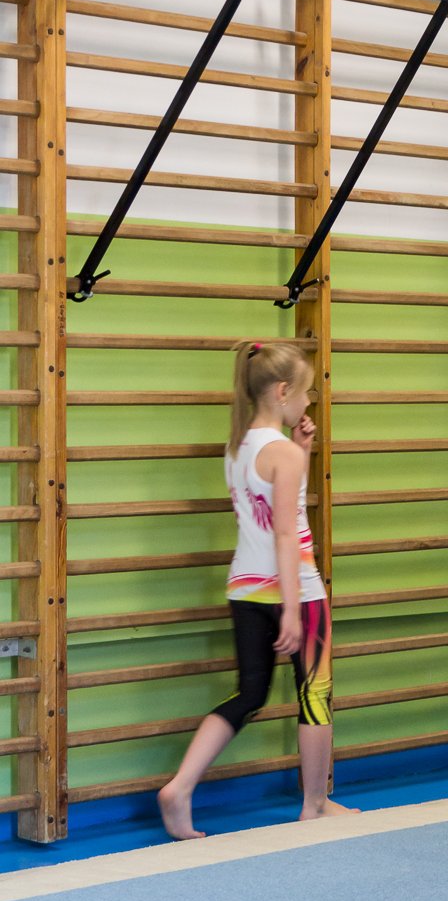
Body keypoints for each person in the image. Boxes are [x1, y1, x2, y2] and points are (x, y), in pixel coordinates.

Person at [158, 339, 358, 839]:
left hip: (244, 588)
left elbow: (275, 507)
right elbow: (287, 533)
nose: (308, 403)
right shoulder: (281, 452)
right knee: (315, 693)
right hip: (296, 591)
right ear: (283, 391)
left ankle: (180, 787)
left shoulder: (238, 447)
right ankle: (315, 804)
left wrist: (303, 449)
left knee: (248, 693)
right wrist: (291, 609)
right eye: (306, 393)